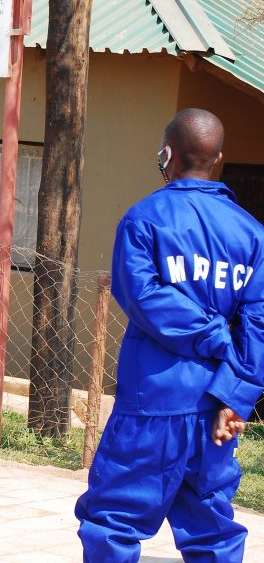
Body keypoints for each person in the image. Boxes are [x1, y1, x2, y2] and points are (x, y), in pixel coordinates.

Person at [76, 108, 264, 562]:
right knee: (212, 528)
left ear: (167, 154)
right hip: (218, 407)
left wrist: (214, 336)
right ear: (217, 158)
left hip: (152, 403)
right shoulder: (254, 235)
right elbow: (259, 325)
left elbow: (142, 297)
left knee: (113, 522)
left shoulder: (143, 220)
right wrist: (236, 398)